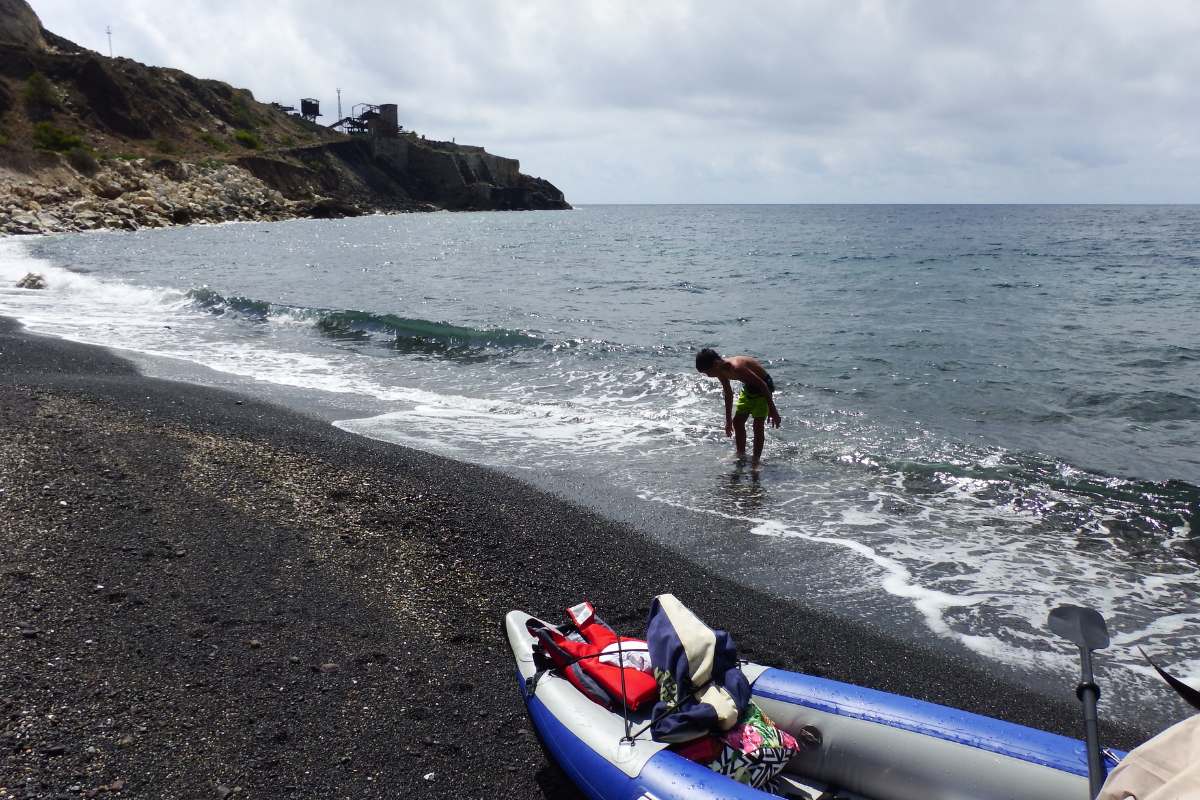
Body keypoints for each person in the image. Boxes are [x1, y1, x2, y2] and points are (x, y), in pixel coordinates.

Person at [694, 348, 780, 465]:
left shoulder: (737, 367)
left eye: (707, 372)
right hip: (749, 388)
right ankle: (741, 454)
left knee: (758, 426)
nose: (708, 376)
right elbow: (728, 394)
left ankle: (756, 460)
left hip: (763, 389)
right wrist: (728, 420)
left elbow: (763, 385)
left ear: (715, 364)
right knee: (737, 422)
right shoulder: (720, 371)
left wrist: (772, 410)